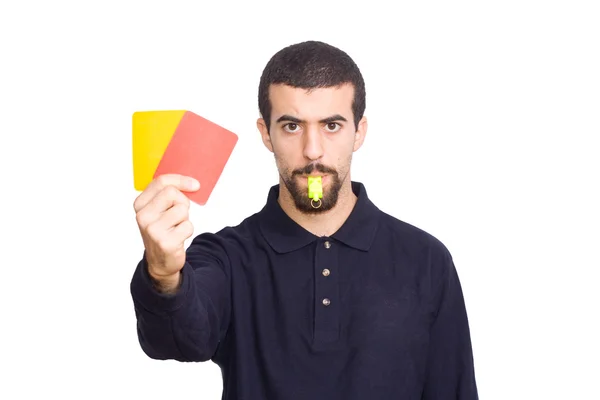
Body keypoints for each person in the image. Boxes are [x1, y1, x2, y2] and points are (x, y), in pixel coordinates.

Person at [130, 40, 479, 399]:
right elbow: (179, 341)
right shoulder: (226, 256)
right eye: (292, 126)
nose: (313, 150)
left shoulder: (426, 260)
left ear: (359, 132)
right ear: (266, 134)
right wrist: (163, 273)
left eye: (331, 125)